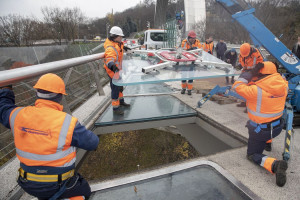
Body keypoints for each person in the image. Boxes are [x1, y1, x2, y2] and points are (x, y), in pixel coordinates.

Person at [0, 73, 99, 199]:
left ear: (37, 93)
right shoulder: (67, 123)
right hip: (56, 184)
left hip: (27, 183)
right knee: (83, 189)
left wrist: (6, 89)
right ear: (60, 96)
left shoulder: (17, 115)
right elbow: (93, 142)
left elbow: (3, 108)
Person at [232, 61, 288, 187]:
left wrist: (250, 73)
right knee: (267, 124)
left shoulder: (255, 91)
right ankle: (267, 144)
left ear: (260, 74)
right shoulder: (284, 85)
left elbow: (236, 86)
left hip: (261, 131)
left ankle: (275, 165)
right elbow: (280, 77)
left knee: (252, 155)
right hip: (278, 127)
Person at [104, 26, 131, 115]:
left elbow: (119, 49)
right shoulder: (110, 47)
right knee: (115, 88)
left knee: (120, 87)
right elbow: (109, 59)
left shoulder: (117, 44)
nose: (121, 38)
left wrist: (124, 48)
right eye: (120, 37)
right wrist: (113, 66)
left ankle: (121, 101)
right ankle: (116, 108)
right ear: (116, 37)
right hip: (113, 72)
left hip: (117, 70)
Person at [237, 43, 263, 107]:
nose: (245, 56)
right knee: (243, 86)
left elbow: (260, 64)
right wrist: (239, 66)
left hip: (254, 73)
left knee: (251, 89)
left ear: (249, 50)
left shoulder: (256, 53)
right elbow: (242, 62)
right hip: (246, 72)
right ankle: (243, 102)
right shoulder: (242, 54)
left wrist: (253, 72)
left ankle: (249, 105)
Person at [180, 30, 202, 95]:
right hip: (185, 61)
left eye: (194, 38)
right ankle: (183, 89)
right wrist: (191, 50)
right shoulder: (184, 42)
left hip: (193, 61)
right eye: (192, 38)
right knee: (183, 76)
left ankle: (189, 90)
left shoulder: (197, 42)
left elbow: (199, 51)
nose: (193, 39)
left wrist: (194, 50)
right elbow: (183, 52)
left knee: (191, 76)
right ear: (189, 37)